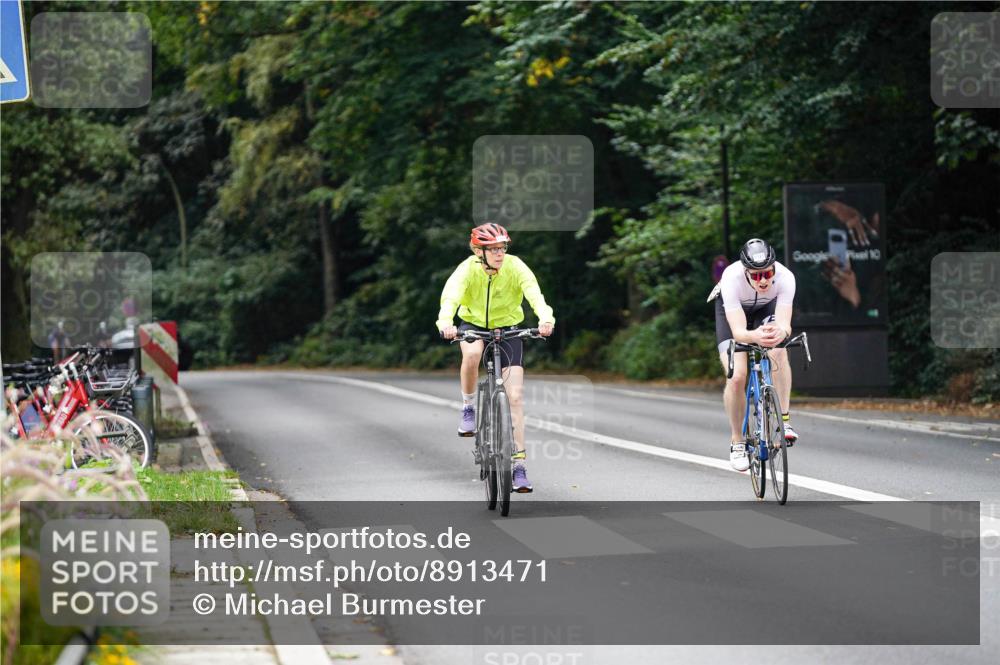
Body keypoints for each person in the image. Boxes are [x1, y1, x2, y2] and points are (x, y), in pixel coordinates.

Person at [437, 223, 555, 493]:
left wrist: (545, 318)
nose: (500, 254)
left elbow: (534, 294)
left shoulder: (515, 266)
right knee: (473, 354)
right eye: (493, 249)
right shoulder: (466, 269)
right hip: (472, 326)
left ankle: (519, 467)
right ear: (479, 251)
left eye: (503, 248)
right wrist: (446, 322)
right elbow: (451, 298)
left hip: (509, 329)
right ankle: (468, 406)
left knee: (514, 397)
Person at [709, 238, 798, 471]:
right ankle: (737, 441)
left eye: (768, 273)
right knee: (737, 376)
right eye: (756, 275)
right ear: (746, 272)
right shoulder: (731, 278)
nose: (764, 280)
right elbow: (738, 332)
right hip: (733, 315)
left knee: (779, 352)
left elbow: (786, 326)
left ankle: (785, 422)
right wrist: (755, 336)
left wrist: (779, 333)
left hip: (766, 310)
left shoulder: (786, 278)